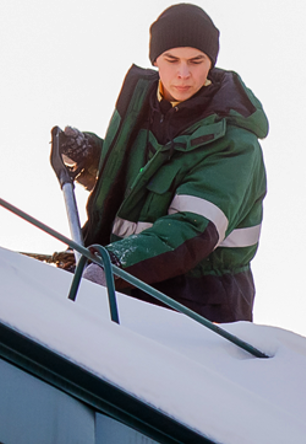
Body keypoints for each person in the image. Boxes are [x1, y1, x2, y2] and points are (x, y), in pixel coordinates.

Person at [52, 3, 267, 324]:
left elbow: (191, 229)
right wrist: (89, 157)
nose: (183, 73)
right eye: (172, 60)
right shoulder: (143, 107)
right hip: (126, 284)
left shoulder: (235, 142)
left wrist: (111, 265)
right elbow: (141, 187)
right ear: (156, 60)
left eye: (196, 61)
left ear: (211, 63)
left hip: (197, 306)